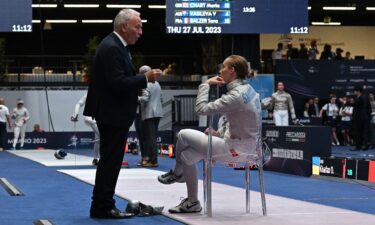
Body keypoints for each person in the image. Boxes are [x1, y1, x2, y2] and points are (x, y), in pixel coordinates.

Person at [83, 9, 162, 219]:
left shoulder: (116, 46)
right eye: (137, 26)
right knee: (110, 162)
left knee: (110, 161)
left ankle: (102, 205)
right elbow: (117, 83)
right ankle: (103, 207)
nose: (141, 31)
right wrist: (145, 78)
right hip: (112, 114)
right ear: (124, 26)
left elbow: (116, 82)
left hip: (112, 113)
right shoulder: (112, 48)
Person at [158, 55, 261, 213]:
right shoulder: (250, 90)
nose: (220, 70)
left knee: (183, 134)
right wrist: (219, 133)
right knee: (187, 156)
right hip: (249, 151)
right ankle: (193, 202)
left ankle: (178, 173)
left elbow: (201, 109)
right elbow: (243, 123)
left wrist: (205, 84)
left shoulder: (235, 96)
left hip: (233, 150)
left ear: (232, 71)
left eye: (224, 67)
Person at [138, 65, 163, 167]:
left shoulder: (146, 83)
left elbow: (145, 98)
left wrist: (135, 98)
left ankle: (153, 160)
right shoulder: (157, 83)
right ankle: (151, 159)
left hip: (149, 113)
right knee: (152, 137)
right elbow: (161, 98)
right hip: (158, 113)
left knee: (150, 138)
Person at [71, 94, 100, 166]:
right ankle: (105, 159)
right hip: (90, 118)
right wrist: (75, 114)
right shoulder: (89, 93)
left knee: (98, 138)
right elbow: (79, 103)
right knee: (103, 137)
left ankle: (95, 159)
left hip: (100, 118)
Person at [351, 86, 371, 151]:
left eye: (354, 91)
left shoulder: (360, 98)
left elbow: (355, 105)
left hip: (359, 118)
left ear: (358, 91)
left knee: (359, 132)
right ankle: (365, 144)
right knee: (364, 132)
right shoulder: (365, 97)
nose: (354, 92)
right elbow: (369, 108)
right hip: (365, 118)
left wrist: (346, 103)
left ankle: (359, 146)